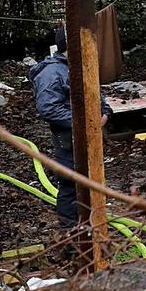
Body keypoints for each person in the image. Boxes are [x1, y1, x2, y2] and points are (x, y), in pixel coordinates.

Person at [29, 24, 112, 228]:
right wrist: (85, 124)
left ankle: (93, 226)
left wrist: (105, 113)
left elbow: (97, 97)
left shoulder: (80, 67)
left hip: (89, 139)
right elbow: (48, 109)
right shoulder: (52, 73)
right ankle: (72, 235)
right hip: (68, 141)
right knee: (70, 184)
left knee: (92, 182)